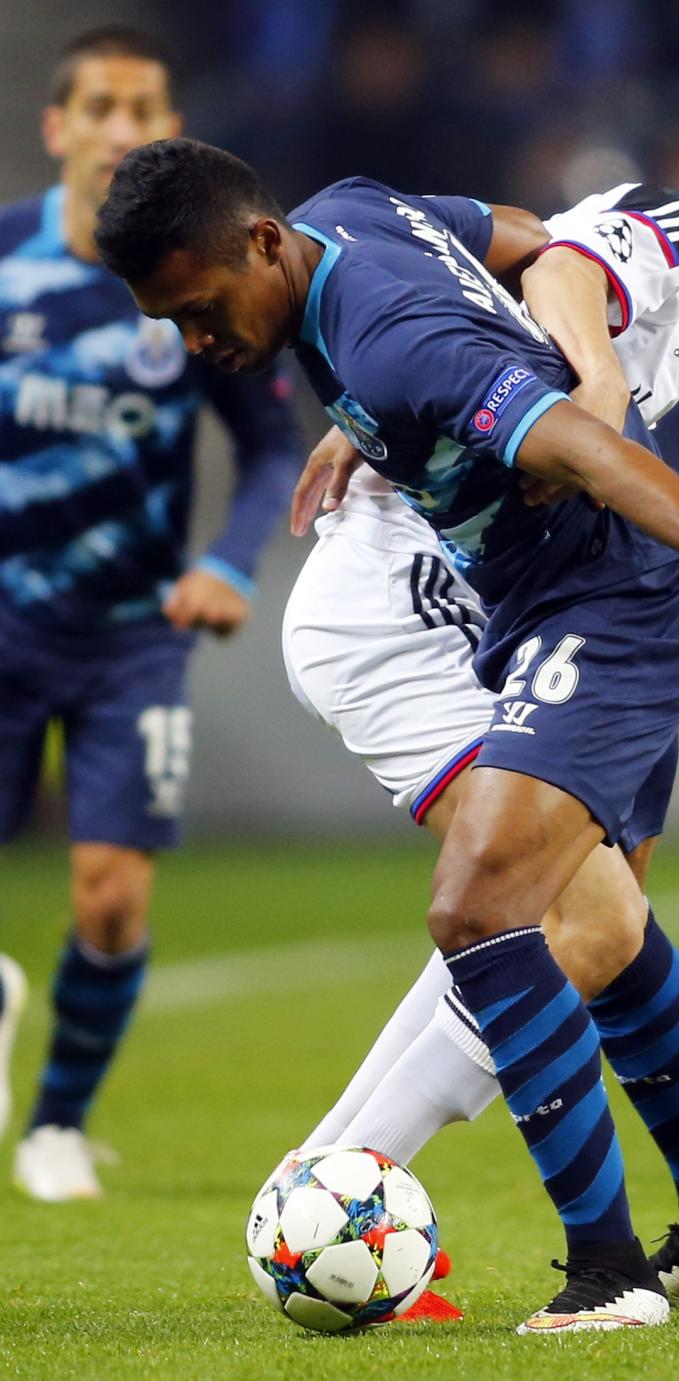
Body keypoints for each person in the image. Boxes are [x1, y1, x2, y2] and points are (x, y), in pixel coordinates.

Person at [94, 136, 679, 1334]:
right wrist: (380, 411)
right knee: (595, 919)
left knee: (503, 913)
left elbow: (568, 413)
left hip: (595, 602)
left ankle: (536, 1247)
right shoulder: (368, 232)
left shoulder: (400, 325)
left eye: (198, 311)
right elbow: (532, 245)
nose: (196, 342)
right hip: (537, 599)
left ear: (260, 244)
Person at [0, 30, 302, 1202]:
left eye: (145, 107)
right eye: (103, 106)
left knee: (113, 895)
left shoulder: (194, 273)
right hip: (5, 617)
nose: (123, 127)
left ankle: (58, 1126)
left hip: (132, 632)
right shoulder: (7, 261)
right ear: (58, 125)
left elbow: (272, 442)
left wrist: (230, 561)